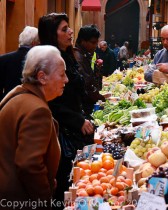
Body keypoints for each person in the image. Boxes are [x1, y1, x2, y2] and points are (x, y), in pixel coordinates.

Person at [38, 13, 95, 209]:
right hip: (62, 132)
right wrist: (77, 120)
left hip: (75, 126)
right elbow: (51, 102)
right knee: (64, 181)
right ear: (51, 35)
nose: (71, 32)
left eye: (68, 28)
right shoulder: (49, 61)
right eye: (64, 29)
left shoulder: (68, 56)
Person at [0, 45, 68, 209]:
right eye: (61, 74)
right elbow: (29, 165)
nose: (66, 79)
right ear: (42, 77)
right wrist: (44, 198)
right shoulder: (38, 110)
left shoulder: (19, 94)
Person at [0, 26, 39, 101]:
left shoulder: (3, 59)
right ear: (34, 43)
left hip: (8, 103)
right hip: (31, 103)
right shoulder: (37, 60)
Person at [74, 24, 105, 118]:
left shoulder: (85, 55)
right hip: (83, 108)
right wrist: (100, 98)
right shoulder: (78, 58)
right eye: (93, 42)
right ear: (83, 41)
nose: (95, 46)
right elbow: (86, 85)